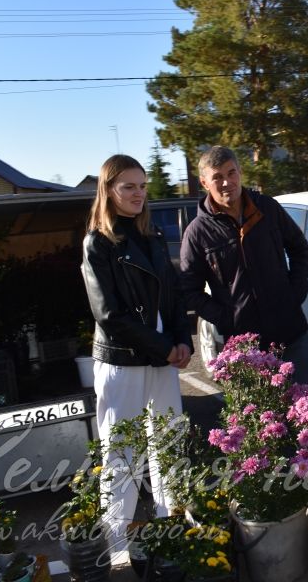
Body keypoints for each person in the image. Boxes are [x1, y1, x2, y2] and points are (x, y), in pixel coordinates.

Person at [80, 154, 193, 558]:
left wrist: (183, 340)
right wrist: (166, 347)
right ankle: (118, 549)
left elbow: (174, 295)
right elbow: (109, 315)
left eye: (143, 186)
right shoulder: (98, 243)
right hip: (122, 362)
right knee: (122, 455)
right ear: (109, 190)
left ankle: (174, 532)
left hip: (162, 359)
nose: (139, 194)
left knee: (169, 448)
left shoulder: (154, 237)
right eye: (129, 186)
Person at [180, 145, 308, 381]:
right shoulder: (197, 233)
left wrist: (295, 294)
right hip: (245, 348)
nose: (226, 182)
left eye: (231, 173)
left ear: (240, 172)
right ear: (204, 183)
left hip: (291, 334)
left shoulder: (268, 209)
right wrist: (226, 317)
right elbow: (189, 290)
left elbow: (300, 249)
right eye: (217, 177)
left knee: (305, 408)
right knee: (260, 417)